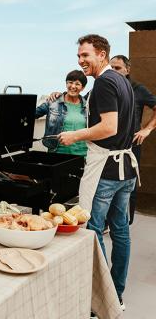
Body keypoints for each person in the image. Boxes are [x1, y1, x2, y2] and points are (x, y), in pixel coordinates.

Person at [59, 34, 137, 311]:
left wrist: (74, 136)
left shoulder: (104, 82)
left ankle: (101, 300)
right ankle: (116, 295)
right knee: (120, 232)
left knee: (92, 230)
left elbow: (109, 127)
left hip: (105, 169)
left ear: (102, 54)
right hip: (125, 170)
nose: (81, 61)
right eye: (79, 56)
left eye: (86, 55)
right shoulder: (122, 81)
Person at [110, 55, 156, 224]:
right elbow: (83, 102)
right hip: (108, 145)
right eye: (111, 67)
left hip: (131, 146)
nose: (113, 71)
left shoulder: (138, 88)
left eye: (117, 68)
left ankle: (125, 222)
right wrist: (60, 94)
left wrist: (147, 129)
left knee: (129, 184)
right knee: (108, 184)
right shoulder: (107, 86)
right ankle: (109, 221)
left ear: (127, 70)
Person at [35, 70, 87, 156]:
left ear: (83, 87)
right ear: (66, 84)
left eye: (77, 84)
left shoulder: (87, 106)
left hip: (83, 154)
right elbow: (31, 114)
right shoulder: (53, 102)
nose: (73, 86)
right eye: (70, 82)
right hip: (57, 153)